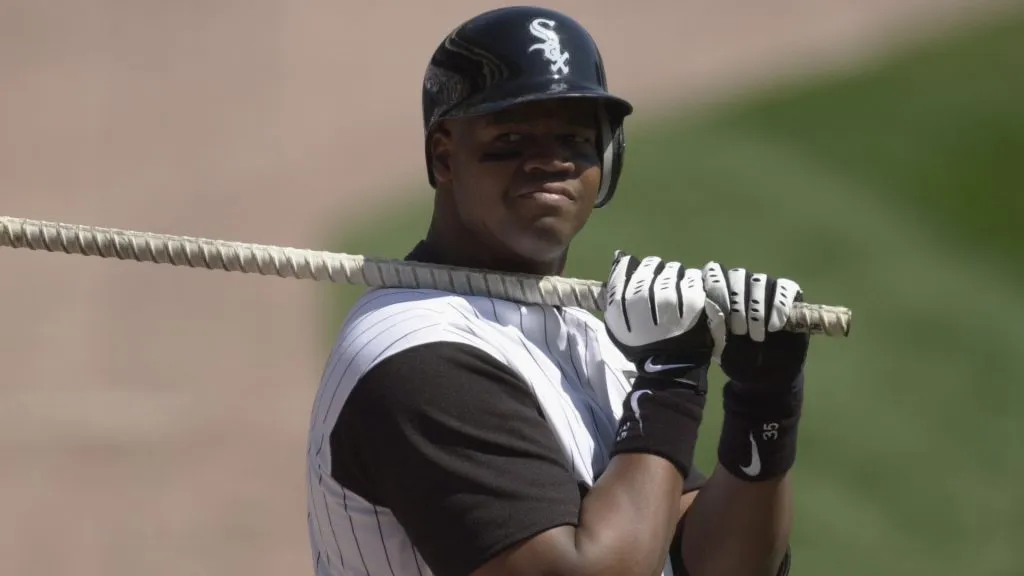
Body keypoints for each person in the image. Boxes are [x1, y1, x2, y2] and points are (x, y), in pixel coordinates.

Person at [306, 6, 810, 576]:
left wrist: (762, 408)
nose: (550, 161)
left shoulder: (583, 336)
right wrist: (672, 379)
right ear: (445, 154)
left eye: (573, 138)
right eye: (513, 137)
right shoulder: (415, 356)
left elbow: (719, 566)